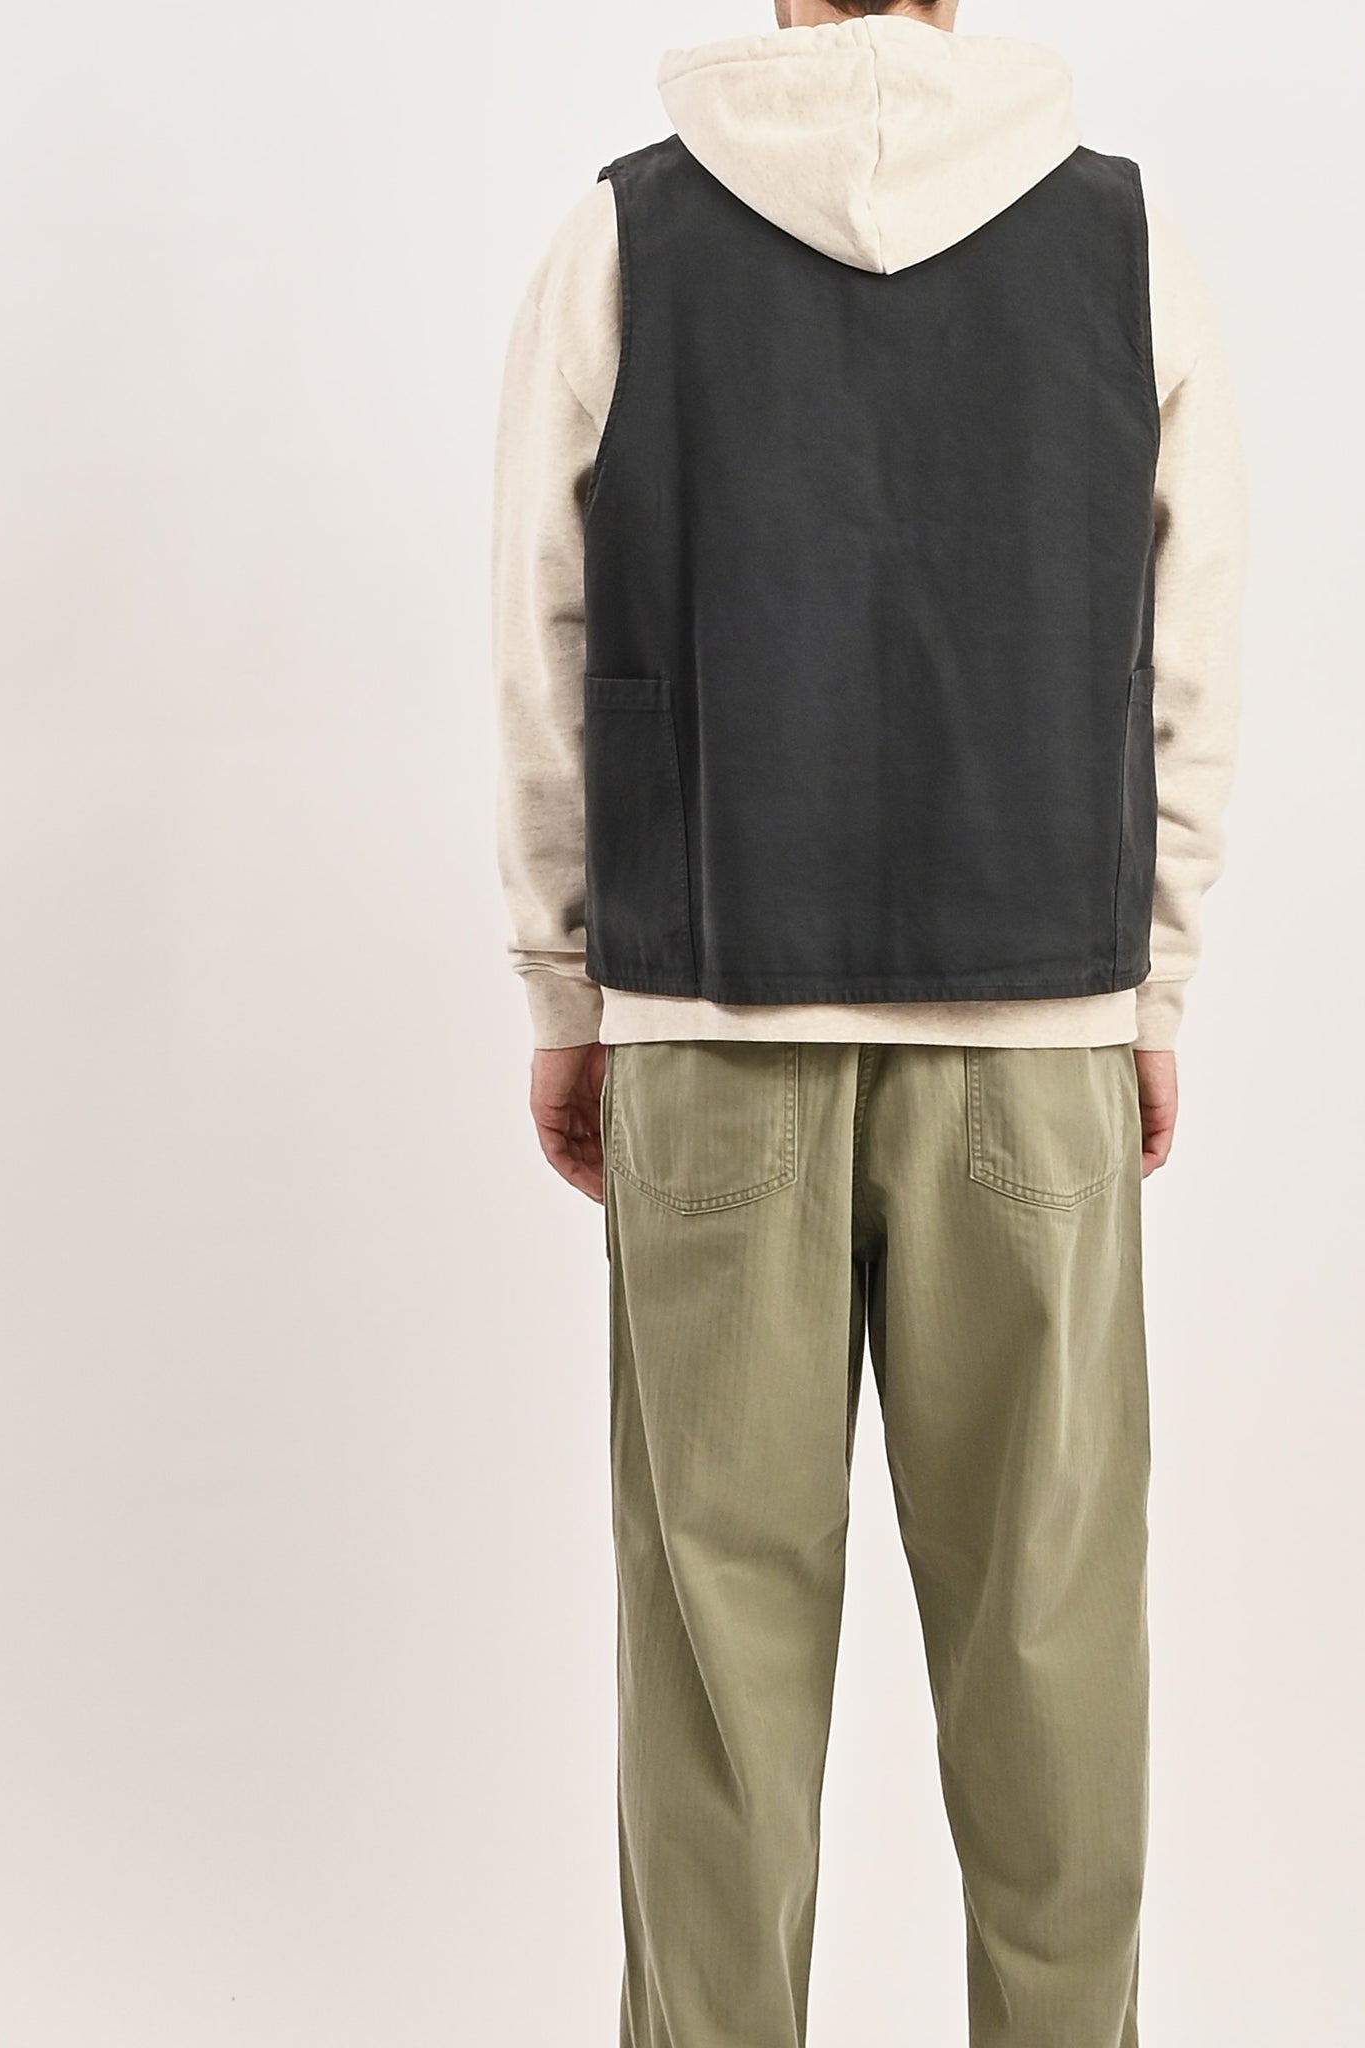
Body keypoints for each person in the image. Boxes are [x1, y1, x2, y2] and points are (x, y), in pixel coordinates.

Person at [492, 1, 1246, 2040]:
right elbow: (1190, 644)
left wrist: (566, 981)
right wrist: (1151, 975)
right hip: (1040, 1019)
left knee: (715, 1676)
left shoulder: (626, 236)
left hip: (708, 1000)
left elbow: (545, 629)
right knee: (1053, 1651)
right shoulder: (1124, 242)